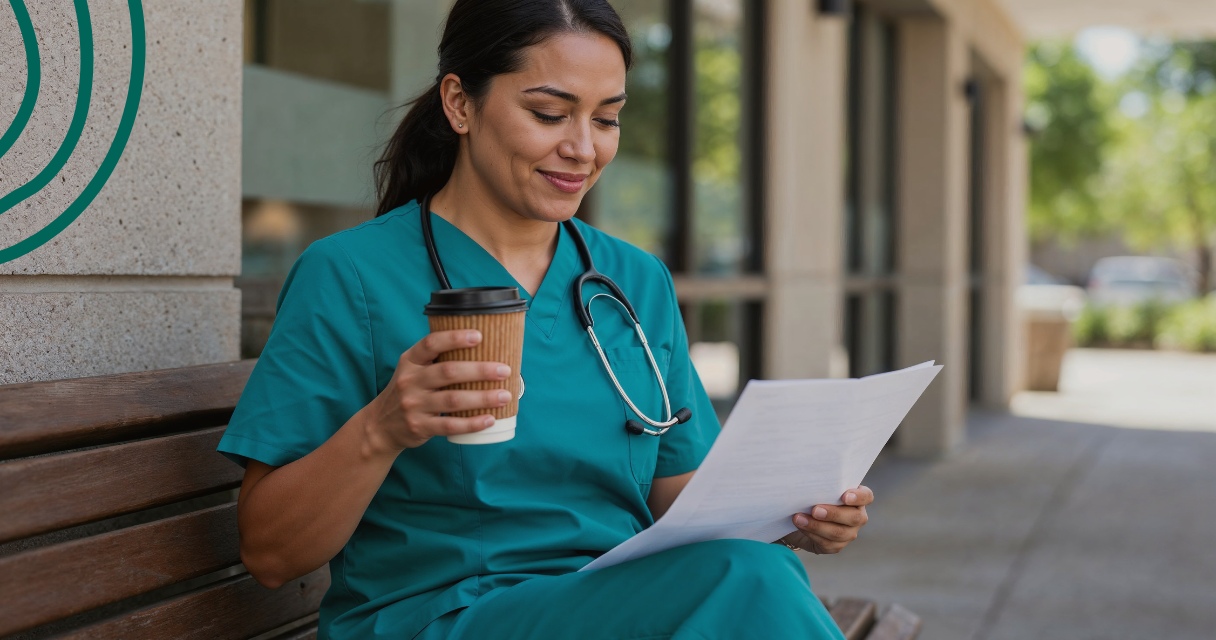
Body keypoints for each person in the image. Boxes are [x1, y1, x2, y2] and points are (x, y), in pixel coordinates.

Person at [217, 0, 873, 638]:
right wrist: (384, 428)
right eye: (549, 113)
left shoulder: (632, 281)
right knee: (749, 581)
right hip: (445, 616)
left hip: (620, 605)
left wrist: (793, 520)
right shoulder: (352, 276)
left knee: (760, 566)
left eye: (607, 119)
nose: (583, 148)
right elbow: (272, 556)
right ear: (459, 104)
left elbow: (681, 495)